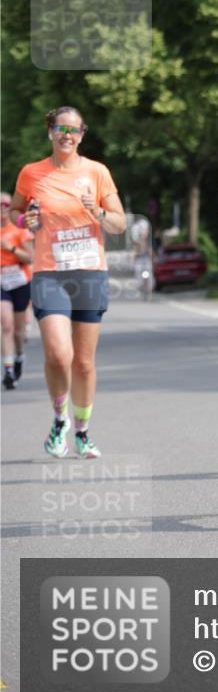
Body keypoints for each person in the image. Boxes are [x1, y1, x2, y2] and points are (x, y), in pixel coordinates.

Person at [9, 106, 126, 458]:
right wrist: (24, 219)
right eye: (60, 128)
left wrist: (98, 211)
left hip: (89, 272)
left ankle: (82, 429)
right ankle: (59, 419)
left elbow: (119, 223)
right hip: (49, 271)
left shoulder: (97, 172)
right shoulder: (32, 173)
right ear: (50, 132)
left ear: (82, 134)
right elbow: (15, 210)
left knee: (85, 363)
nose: (66, 134)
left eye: (73, 129)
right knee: (59, 355)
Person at [1, 192, 34, 390]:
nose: (2, 209)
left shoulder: (19, 230)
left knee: (18, 331)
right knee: (6, 325)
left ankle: (19, 354)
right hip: (1, 282)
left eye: (6, 205)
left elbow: (31, 258)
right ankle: (8, 369)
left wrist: (11, 249)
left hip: (20, 281)